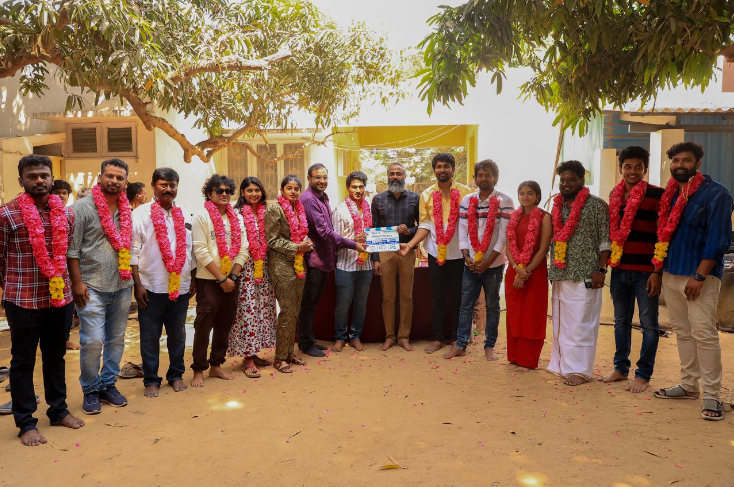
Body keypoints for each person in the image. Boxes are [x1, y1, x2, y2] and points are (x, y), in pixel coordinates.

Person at [0, 155, 85, 445]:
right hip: (23, 300)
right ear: (21, 179)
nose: (39, 180)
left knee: (55, 356)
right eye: (32, 176)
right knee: (22, 361)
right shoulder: (7, 214)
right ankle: (25, 423)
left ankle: (58, 410)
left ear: (51, 178)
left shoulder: (67, 215)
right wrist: (9, 289)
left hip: (59, 300)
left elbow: (68, 252)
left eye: (44, 175)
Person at [653, 141, 733, 421]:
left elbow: (719, 239)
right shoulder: (670, 194)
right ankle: (689, 385)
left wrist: (699, 275)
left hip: (700, 276)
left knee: (704, 334)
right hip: (671, 272)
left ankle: (712, 395)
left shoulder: (717, 194)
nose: (679, 165)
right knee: (683, 332)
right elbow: (662, 235)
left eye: (686, 160)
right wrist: (658, 271)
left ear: (698, 163)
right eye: (675, 161)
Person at [68, 158, 135, 414]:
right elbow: (72, 250)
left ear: (126, 182)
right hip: (91, 285)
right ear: (100, 178)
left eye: (120, 177)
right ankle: (90, 389)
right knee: (93, 341)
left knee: (116, 339)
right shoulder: (81, 209)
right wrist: (77, 283)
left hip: (122, 284)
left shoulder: (127, 209)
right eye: (110, 176)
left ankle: (108, 384)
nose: (114, 181)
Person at [600, 146, 663, 393]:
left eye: (638, 167)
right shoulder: (614, 195)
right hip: (619, 269)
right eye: (628, 167)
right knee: (620, 321)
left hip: (646, 271)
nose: (633, 171)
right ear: (620, 168)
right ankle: (620, 368)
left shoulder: (657, 194)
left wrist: (657, 271)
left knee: (649, 324)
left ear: (645, 169)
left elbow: (663, 234)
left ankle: (643, 374)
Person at [400, 152, 472, 354]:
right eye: (439, 166)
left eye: (446, 166)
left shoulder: (466, 193)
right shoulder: (427, 195)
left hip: (459, 253)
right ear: (434, 170)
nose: (442, 170)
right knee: (437, 296)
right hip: (435, 252)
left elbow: (470, 224)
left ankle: (457, 338)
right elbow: (425, 225)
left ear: (453, 169)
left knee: (458, 297)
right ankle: (438, 338)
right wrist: (410, 245)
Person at [547, 160, 611, 386]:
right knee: (562, 321)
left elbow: (605, 241)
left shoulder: (597, 205)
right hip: (561, 272)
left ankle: (580, 370)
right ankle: (561, 364)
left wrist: (601, 270)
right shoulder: (557, 205)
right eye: (562, 180)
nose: (566, 184)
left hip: (586, 274)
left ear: (582, 181)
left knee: (582, 323)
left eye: (571, 180)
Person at [131, 168, 193, 397]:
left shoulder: (185, 213)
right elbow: (133, 250)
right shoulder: (141, 214)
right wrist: (138, 285)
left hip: (180, 285)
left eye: (172, 185)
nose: (168, 189)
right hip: (151, 286)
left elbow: (190, 249)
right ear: (153, 186)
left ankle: (176, 375)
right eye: (163, 185)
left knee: (178, 334)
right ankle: (151, 379)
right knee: (150, 336)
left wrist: (193, 277)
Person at [446, 159, 514, 360]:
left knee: (492, 305)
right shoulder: (468, 201)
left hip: (493, 264)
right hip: (471, 263)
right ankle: (460, 345)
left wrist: (487, 262)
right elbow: (463, 230)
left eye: (488, 175)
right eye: (480, 175)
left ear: (495, 178)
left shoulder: (505, 201)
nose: (484, 179)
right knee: (466, 304)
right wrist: (466, 256)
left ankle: (489, 346)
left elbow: (503, 237)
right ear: (475, 178)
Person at [298, 164, 367, 357]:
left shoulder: (322, 197)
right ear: (309, 178)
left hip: (324, 260)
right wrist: (353, 244)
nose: (322, 181)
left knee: (313, 303)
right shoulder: (308, 200)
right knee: (307, 303)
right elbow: (324, 232)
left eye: (324, 177)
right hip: (314, 260)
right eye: (317, 177)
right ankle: (305, 343)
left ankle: (309, 339)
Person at [190, 174, 248, 388]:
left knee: (224, 325)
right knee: (203, 326)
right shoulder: (201, 216)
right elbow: (201, 251)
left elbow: (244, 248)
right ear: (209, 193)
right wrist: (221, 278)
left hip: (232, 280)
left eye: (228, 191)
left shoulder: (237, 218)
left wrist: (232, 276)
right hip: (209, 281)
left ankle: (216, 365)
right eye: (219, 190)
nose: (224, 194)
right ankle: (198, 369)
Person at [228, 177, 276, 378]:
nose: (254, 194)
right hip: (245, 268)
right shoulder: (236, 213)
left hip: (264, 268)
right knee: (247, 311)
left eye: (257, 190)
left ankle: (255, 353)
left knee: (262, 311)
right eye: (250, 190)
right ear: (242, 193)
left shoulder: (268, 212)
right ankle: (248, 358)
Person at [266, 175, 314, 373]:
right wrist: (297, 247)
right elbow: (272, 240)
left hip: (298, 263)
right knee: (286, 311)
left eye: (296, 188)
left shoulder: (299, 209)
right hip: (280, 265)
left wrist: (307, 243)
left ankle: (289, 352)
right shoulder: (274, 209)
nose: (293, 191)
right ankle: (279, 358)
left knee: (295, 310)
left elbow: (300, 234)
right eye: (289, 188)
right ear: (282, 190)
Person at [371, 163, 420, 352]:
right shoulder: (378, 199)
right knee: (388, 297)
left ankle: (404, 337)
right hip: (385, 252)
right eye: (392, 174)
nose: (395, 177)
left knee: (407, 297)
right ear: (387, 176)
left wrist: (409, 231)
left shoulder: (415, 198)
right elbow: (374, 228)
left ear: (404, 176)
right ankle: (390, 336)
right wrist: (375, 258)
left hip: (406, 251)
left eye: (399, 174)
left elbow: (422, 226)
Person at [504, 181, 552, 369]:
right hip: (514, 271)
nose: (525, 197)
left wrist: (525, 272)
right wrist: (517, 268)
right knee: (515, 314)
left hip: (535, 272)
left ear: (537, 196)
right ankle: (515, 356)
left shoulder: (544, 217)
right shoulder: (513, 218)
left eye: (530, 193)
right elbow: (509, 247)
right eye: (522, 193)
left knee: (531, 315)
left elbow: (543, 249)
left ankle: (528, 359)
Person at [331, 171, 373, 352]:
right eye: (354, 187)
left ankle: (356, 337)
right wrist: (354, 240)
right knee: (343, 304)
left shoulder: (369, 207)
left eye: (361, 187)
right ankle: (340, 338)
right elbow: (336, 240)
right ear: (348, 188)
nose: (358, 190)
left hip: (366, 265)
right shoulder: (340, 209)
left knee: (361, 304)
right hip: (345, 265)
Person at [51, 179, 78, 351]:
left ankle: (65, 339)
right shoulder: (41, 214)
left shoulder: (70, 215)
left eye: (64, 193)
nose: (61, 196)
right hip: (48, 269)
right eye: (57, 192)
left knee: (67, 308)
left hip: (67, 270)